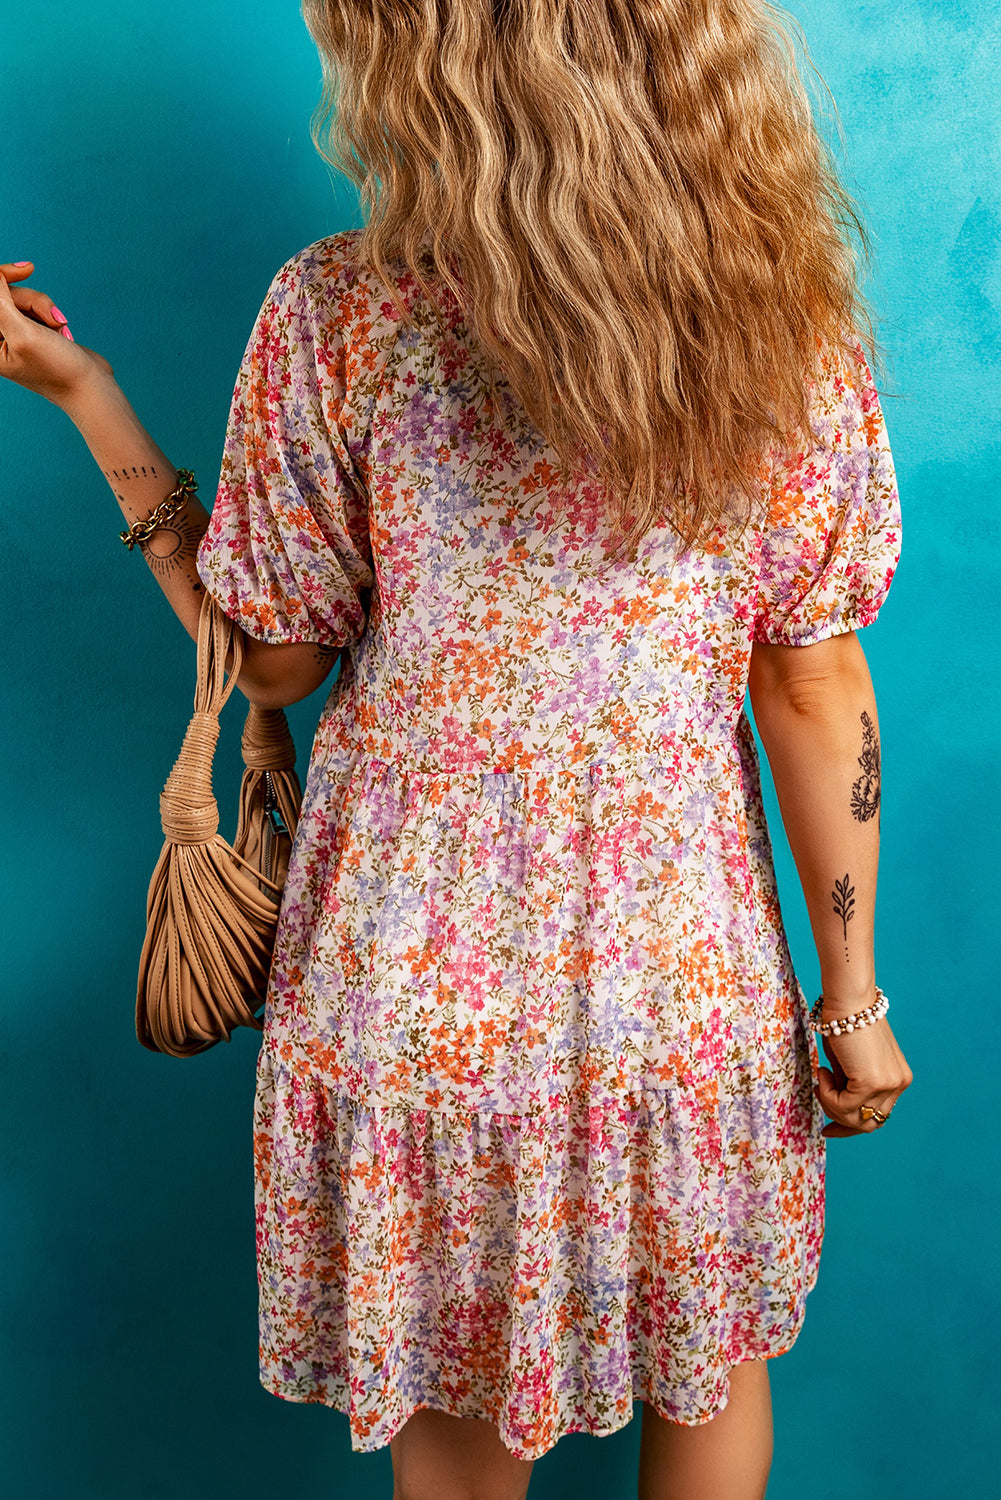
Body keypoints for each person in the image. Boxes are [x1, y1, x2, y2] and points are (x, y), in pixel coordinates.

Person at [1, 3, 914, 1497]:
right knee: (709, 1375)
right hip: (675, 986)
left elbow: (275, 657)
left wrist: (85, 397)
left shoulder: (341, 313)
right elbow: (811, 687)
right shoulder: (786, 322)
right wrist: (848, 1003)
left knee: (455, 1430)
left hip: (413, 984)